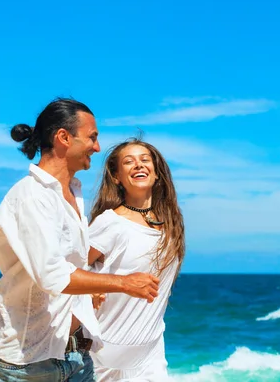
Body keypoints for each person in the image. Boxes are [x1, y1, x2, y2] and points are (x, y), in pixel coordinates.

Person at [0, 99, 160, 382]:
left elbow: (69, 269)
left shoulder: (73, 195)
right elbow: (53, 275)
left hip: (77, 358)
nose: (97, 147)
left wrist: (89, 292)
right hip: (24, 366)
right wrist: (123, 283)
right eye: (92, 137)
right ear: (63, 137)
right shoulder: (32, 196)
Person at [87, 138, 186, 381]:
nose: (138, 166)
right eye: (128, 162)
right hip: (105, 351)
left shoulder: (170, 225)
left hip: (149, 349)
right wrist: (90, 289)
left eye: (145, 160)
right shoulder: (110, 222)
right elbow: (69, 270)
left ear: (157, 173)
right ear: (116, 176)